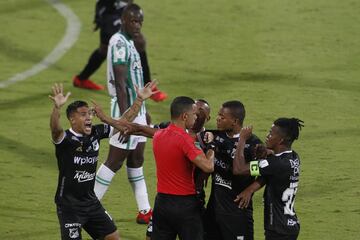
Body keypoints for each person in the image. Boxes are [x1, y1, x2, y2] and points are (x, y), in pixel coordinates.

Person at [49, 82, 156, 240]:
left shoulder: (96, 132)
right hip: (69, 207)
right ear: (72, 119)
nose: (89, 118)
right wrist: (57, 108)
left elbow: (123, 122)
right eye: (83, 114)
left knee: (113, 237)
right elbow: (55, 129)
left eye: (90, 114)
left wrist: (139, 100)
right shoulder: (66, 140)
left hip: (91, 203)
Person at [94, 3, 154, 224]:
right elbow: (120, 84)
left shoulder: (129, 42)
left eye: (140, 22)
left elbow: (133, 80)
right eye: (133, 21)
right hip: (125, 108)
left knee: (137, 159)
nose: (137, 25)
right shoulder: (118, 42)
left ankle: (145, 210)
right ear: (124, 20)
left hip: (137, 108)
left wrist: (142, 113)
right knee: (114, 161)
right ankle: (90, 205)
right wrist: (125, 119)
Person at [73, 0, 167, 101]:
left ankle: (81, 79)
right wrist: (100, 13)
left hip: (118, 10)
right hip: (111, 13)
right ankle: (148, 87)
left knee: (104, 49)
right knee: (138, 42)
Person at [151, 96, 215, 240]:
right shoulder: (185, 140)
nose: (196, 117)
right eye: (194, 114)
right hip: (184, 205)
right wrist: (211, 146)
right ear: (185, 116)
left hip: (161, 202)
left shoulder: (158, 135)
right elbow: (208, 167)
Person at [233, 118, 304, 240]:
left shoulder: (274, 164)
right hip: (289, 224)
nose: (267, 135)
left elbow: (239, 169)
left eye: (271, 133)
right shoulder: (293, 157)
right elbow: (269, 174)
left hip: (278, 229)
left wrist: (242, 139)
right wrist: (250, 190)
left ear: (281, 140)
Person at [202, 100, 262, 240]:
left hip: (237, 213)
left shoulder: (254, 145)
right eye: (218, 115)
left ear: (234, 121)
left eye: (222, 117)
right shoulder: (216, 136)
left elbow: (261, 172)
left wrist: (250, 190)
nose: (217, 119)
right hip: (214, 212)